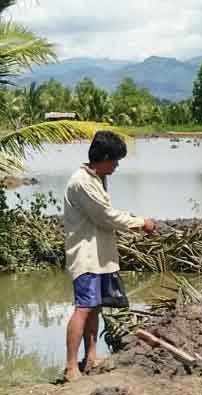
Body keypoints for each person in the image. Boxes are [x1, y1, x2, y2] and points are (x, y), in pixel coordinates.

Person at [63, 131, 156, 381]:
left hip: (99, 254)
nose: (116, 166)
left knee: (94, 308)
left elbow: (106, 215)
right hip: (85, 255)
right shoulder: (82, 182)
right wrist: (140, 223)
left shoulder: (98, 178)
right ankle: (71, 366)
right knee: (83, 308)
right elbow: (106, 216)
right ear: (103, 158)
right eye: (114, 161)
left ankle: (91, 358)